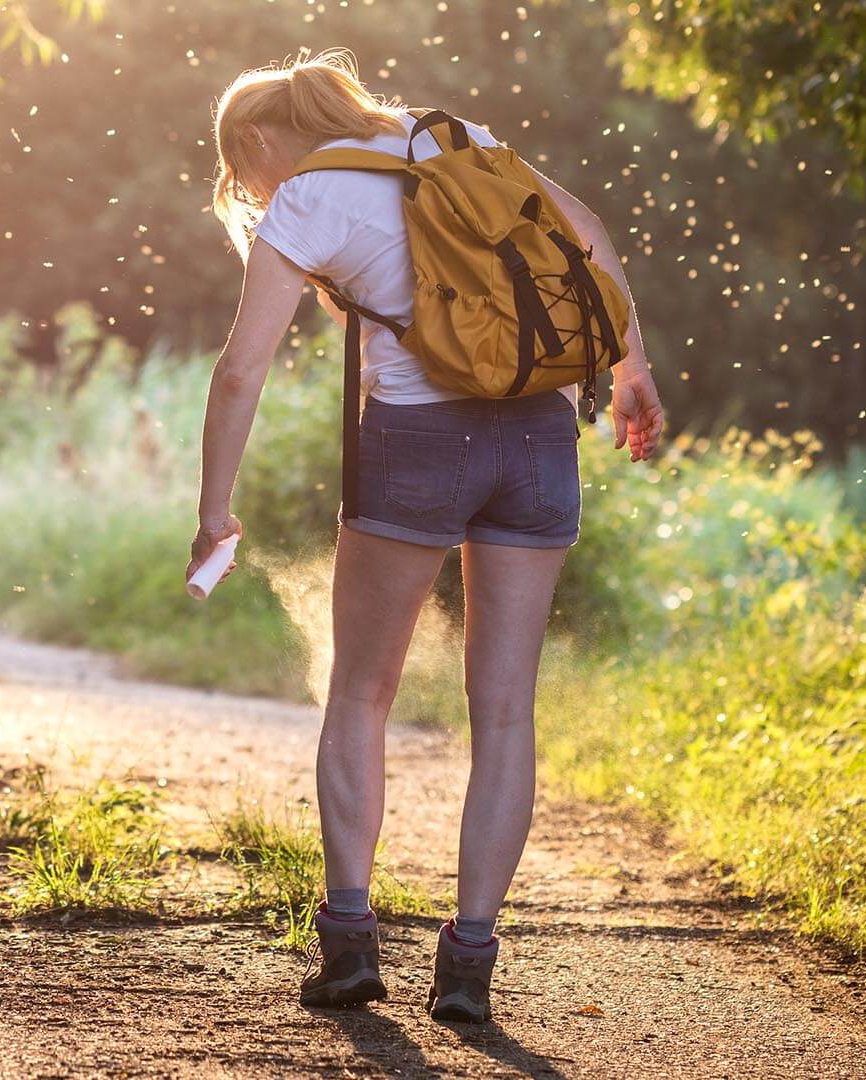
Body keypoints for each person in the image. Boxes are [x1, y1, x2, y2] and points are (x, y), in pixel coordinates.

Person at [187, 49, 664, 1023]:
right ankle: (469, 966)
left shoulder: (309, 197)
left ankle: (351, 946)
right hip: (538, 434)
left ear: (257, 143)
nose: (252, 191)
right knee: (504, 714)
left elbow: (241, 372)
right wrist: (630, 372)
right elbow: (589, 231)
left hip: (415, 443)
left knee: (361, 691)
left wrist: (213, 509)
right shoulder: (455, 139)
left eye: (245, 174)